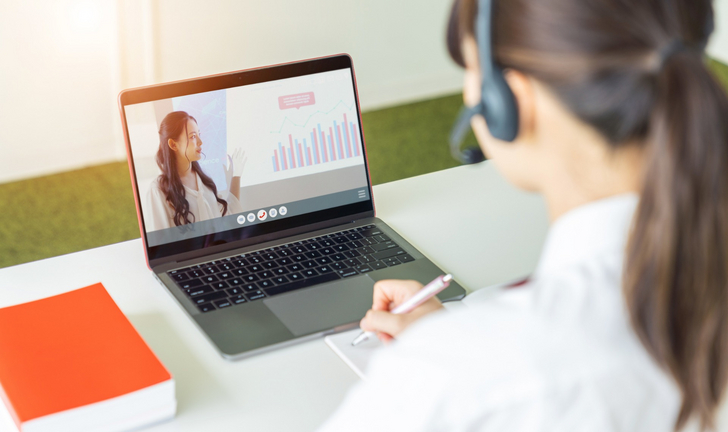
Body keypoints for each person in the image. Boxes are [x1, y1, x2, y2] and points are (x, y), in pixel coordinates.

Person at [318, 0, 728, 430]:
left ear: (508, 103)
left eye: (472, 70)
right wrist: (464, 339)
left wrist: (454, 348)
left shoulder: (440, 380)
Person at [146, 111, 246, 231]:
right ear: (173, 144)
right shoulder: (158, 191)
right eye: (193, 136)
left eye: (199, 134)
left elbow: (228, 217)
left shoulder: (205, 183)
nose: (200, 142)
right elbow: (161, 245)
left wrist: (236, 176)